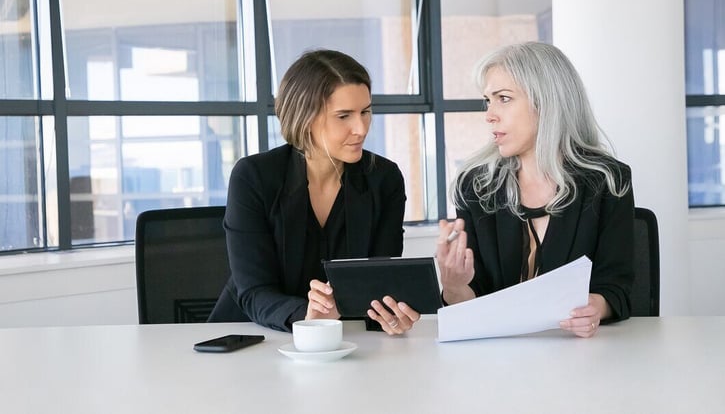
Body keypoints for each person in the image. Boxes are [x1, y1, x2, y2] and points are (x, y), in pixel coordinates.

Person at [209, 49, 420, 335]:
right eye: (343, 116)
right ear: (305, 117)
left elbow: (377, 284)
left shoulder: (383, 179)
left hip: (342, 340)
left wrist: (391, 314)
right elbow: (254, 291)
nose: (361, 128)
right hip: (254, 336)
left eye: (366, 112)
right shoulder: (254, 177)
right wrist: (306, 315)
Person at [436, 41, 634, 338]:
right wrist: (453, 285)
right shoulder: (475, 187)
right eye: (487, 101)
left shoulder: (608, 180)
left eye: (503, 98)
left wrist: (595, 306)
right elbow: (473, 307)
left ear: (547, 102)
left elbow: (617, 286)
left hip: (581, 356)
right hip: (498, 361)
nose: (489, 114)